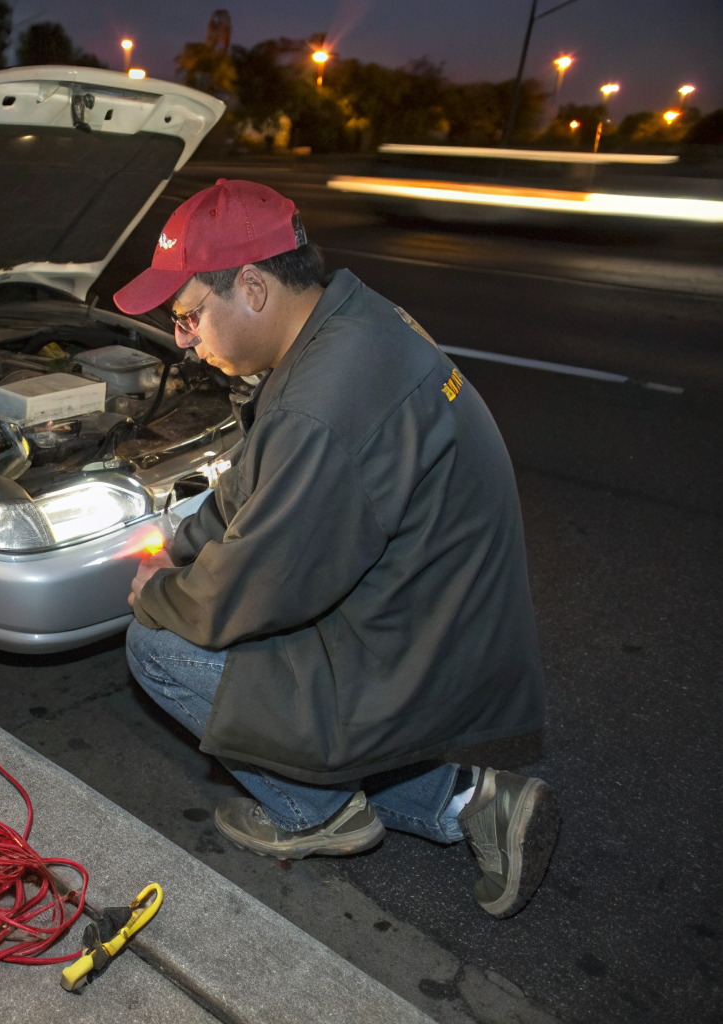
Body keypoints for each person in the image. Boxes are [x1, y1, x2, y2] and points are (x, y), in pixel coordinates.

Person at [114, 179, 558, 919]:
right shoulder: (345, 323)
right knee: (201, 608)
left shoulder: (323, 402)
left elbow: (245, 593)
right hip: (428, 601)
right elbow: (256, 481)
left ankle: (318, 813)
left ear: (251, 287)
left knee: (158, 646)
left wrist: (155, 590)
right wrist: (182, 544)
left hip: (416, 640)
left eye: (190, 316)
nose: (183, 342)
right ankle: (473, 800)